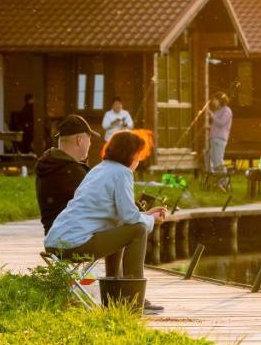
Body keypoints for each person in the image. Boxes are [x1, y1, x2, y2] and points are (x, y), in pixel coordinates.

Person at [45, 130, 167, 281]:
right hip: (74, 246)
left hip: (54, 243)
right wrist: (153, 219)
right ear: (130, 154)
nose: (139, 159)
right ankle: (133, 296)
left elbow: (121, 215)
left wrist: (147, 215)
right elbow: (130, 218)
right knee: (138, 230)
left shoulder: (99, 169)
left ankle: (115, 287)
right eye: (138, 154)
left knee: (120, 227)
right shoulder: (122, 173)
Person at [34, 114, 97, 234]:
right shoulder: (73, 172)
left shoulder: (48, 163)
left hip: (53, 236)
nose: (90, 144)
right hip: (74, 239)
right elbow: (101, 204)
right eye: (89, 139)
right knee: (133, 229)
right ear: (80, 140)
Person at [205, 92, 233, 178]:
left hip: (220, 139)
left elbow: (221, 123)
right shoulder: (218, 110)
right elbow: (217, 124)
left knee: (218, 160)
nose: (213, 102)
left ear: (220, 100)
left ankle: (224, 182)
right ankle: (218, 180)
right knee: (213, 159)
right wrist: (209, 126)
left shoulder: (227, 110)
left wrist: (212, 115)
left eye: (215, 100)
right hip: (214, 138)